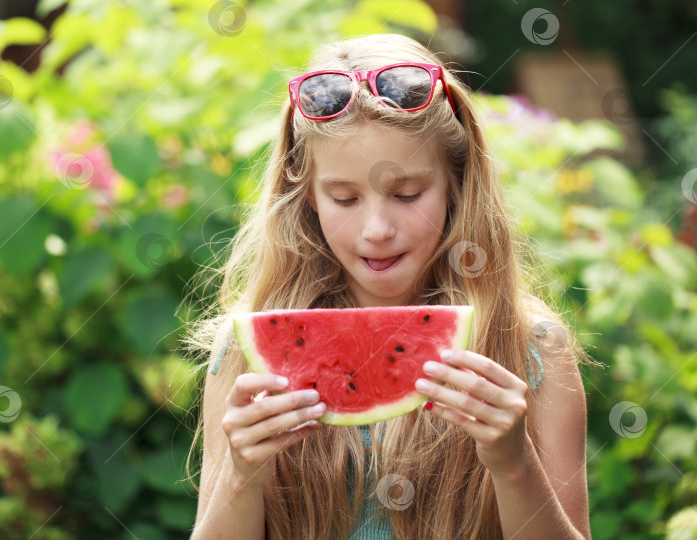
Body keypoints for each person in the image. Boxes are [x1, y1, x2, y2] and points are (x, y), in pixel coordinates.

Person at [183, 33, 595, 540]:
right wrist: (241, 478)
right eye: (344, 198)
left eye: (407, 194)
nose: (377, 229)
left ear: (456, 184)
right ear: (307, 192)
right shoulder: (244, 352)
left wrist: (515, 467)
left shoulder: (535, 350)